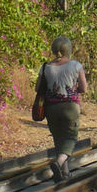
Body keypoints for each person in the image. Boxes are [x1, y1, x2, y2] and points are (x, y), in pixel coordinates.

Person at [36, 36, 87, 182]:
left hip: (51, 108)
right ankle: (58, 163)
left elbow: (37, 88)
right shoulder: (75, 65)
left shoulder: (45, 67)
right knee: (70, 138)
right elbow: (83, 88)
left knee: (58, 140)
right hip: (70, 107)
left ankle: (64, 173)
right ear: (68, 50)